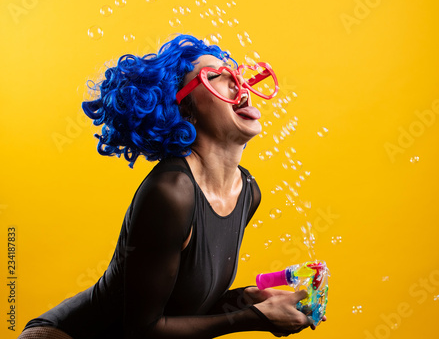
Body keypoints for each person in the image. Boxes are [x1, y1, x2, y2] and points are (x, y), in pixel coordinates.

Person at [19, 34, 324, 339]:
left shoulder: (247, 191)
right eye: (218, 76)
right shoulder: (171, 192)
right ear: (184, 109)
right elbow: (144, 329)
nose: (240, 84)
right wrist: (253, 319)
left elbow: (183, 303)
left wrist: (248, 299)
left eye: (238, 74)